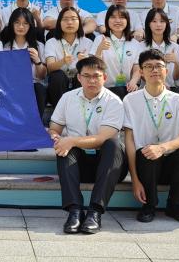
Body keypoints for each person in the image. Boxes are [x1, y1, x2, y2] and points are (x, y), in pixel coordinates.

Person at [49, 56, 127, 234]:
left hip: (108, 165)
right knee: (65, 147)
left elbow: (102, 138)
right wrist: (55, 136)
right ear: (79, 77)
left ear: (104, 78)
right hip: (80, 164)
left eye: (96, 76)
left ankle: (95, 212)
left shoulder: (114, 101)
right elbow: (54, 128)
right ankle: (74, 211)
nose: (92, 80)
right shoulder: (67, 98)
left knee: (113, 144)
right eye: (87, 76)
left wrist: (71, 140)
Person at [123, 49, 179, 224]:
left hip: (171, 162)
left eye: (159, 66)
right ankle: (149, 205)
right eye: (149, 66)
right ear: (141, 72)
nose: (154, 70)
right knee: (147, 152)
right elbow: (129, 141)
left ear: (166, 70)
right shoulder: (130, 100)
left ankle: (175, 204)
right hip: (145, 164)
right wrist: (134, 180)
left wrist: (163, 147)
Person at [1, 7, 47, 117]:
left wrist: (37, 61)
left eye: (25, 23)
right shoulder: (5, 48)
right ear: (11, 24)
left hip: (32, 85)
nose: (21, 27)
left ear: (30, 25)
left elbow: (42, 76)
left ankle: (37, 123)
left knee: (39, 88)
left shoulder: (39, 46)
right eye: (17, 22)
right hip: (11, 86)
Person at [44, 6, 94, 107]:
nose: (70, 22)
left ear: (79, 22)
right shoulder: (51, 42)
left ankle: (80, 109)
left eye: (73, 19)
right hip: (59, 85)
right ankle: (59, 111)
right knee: (57, 76)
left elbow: (93, 69)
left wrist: (85, 62)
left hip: (78, 82)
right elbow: (49, 67)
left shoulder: (87, 42)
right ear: (59, 23)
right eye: (65, 19)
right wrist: (63, 61)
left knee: (83, 75)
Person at [91, 5, 143, 98]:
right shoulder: (100, 39)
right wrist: (99, 50)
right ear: (107, 20)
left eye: (122, 17)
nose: (117, 21)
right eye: (113, 17)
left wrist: (133, 81)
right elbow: (94, 67)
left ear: (127, 21)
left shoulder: (134, 43)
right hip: (105, 89)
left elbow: (137, 67)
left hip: (128, 88)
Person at [143, 8, 179, 90]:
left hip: (171, 88)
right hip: (149, 88)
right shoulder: (141, 47)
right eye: (154, 21)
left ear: (166, 24)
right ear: (148, 24)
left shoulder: (175, 47)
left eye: (162, 21)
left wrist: (176, 62)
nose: (158, 25)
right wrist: (160, 84)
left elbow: (176, 78)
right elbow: (141, 73)